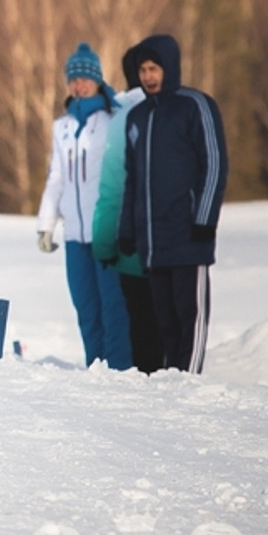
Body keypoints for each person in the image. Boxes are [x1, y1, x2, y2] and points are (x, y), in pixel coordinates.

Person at [117, 33, 228, 374]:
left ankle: (188, 379)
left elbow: (215, 163)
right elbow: (132, 178)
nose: (148, 76)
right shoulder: (137, 118)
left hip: (188, 233)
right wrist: (128, 229)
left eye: (154, 68)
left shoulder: (196, 105)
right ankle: (171, 381)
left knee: (188, 315)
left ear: (170, 67)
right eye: (143, 70)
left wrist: (204, 218)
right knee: (163, 320)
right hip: (154, 239)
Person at [34, 43, 130, 369]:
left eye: (85, 78)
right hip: (74, 232)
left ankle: (118, 370)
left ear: (97, 80)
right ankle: (95, 367)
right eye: (73, 79)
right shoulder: (61, 128)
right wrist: (46, 225)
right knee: (86, 307)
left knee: (112, 306)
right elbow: (56, 178)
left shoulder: (112, 120)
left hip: (105, 230)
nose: (79, 85)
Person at [89, 44, 163, 373]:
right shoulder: (185, 108)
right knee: (171, 326)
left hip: (132, 244)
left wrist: (104, 243)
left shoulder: (121, 119)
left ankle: (144, 384)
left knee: (140, 324)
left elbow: (111, 190)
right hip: (173, 246)